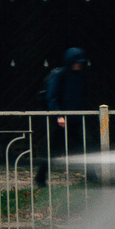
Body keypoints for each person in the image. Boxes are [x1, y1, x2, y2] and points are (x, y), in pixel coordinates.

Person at [34, 46, 90, 186]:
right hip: (61, 120)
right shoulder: (60, 75)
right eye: (77, 62)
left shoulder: (79, 76)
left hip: (74, 118)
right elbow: (52, 97)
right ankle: (40, 177)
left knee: (86, 146)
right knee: (53, 150)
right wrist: (58, 115)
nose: (79, 65)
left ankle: (91, 175)